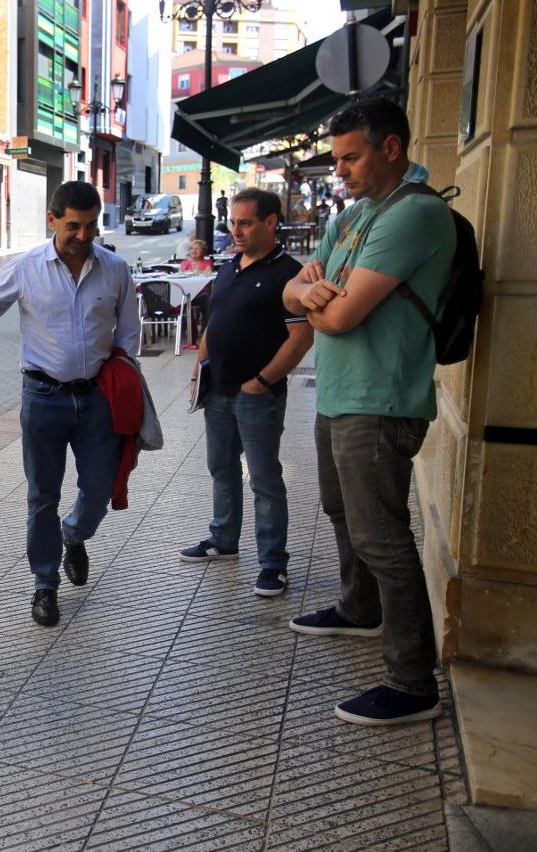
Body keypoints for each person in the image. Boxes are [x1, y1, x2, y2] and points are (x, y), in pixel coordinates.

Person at [282, 96, 455, 726]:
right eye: (337, 159)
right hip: (339, 394)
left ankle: (412, 683)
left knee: (382, 539)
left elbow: (342, 314)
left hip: (381, 401)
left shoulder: (413, 214)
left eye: (352, 157)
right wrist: (307, 292)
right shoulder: (356, 216)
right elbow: (295, 290)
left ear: (391, 147)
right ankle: (360, 610)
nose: (342, 170)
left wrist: (316, 301)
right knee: (341, 513)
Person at [0, 181, 141, 627]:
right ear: (52, 220)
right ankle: (44, 583)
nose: (83, 235)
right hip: (42, 397)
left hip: (97, 398)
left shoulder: (114, 269)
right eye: (73, 225)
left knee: (99, 489)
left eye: (91, 225)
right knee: (42, 496)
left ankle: (73, 536)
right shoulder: (27, 267)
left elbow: (128, 332)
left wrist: (124, 375)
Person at [181, 188, 312, 597]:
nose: (236, 231)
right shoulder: (229, 266)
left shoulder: (290, 274)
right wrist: (198, 369)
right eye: (233, 223)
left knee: (265, 478)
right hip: (217, 390)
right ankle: (224, 538)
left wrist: (264, 382)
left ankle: (273, 563)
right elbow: (213, 323)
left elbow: (301, 337)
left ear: (270, 223)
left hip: (257, 395)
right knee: (221, 468)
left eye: (246, 223)